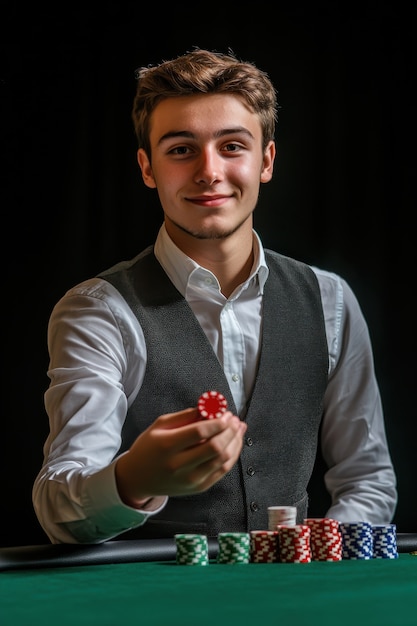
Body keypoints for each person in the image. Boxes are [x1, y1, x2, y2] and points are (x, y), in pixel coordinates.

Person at [32, 48, 397, 545]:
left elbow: (367, 479)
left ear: (265, 160)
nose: (209, 171)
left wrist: (323, 557)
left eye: (232, 146)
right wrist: (133, 480)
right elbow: (57, 508)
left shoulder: (330, 300)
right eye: (181, 149)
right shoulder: (97, 310)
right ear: (147, 167)